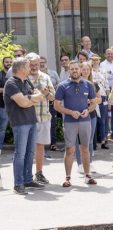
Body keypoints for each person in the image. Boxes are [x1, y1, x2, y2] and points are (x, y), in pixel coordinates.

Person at [3, 57, 45, 194]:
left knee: (30, 152)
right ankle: (18, 184)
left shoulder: (26, 81)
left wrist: (30, 99)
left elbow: (39, 94)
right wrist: (32, 99)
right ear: (21, 68)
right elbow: (22, 103)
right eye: (28, 66)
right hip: (20, 123)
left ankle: (27, 180)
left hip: (31, 120)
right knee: (20, 154)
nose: (31, 68)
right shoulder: (10, 84)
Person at [54, 60, 98, 187]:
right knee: (70, 149)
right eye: (71, 69)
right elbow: (56, 106)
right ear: (69, 70)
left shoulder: (88, 84)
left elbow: (94, 102)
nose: (74, 70)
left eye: (76, 68)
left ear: (80, 69)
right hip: (69, 122)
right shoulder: (62, 86)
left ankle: (87, 175)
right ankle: (67, 178)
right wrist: (70, 112)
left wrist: (87, 110)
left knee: (85, 148)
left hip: (85, 120)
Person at [26, 53, 55, 184]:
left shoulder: (46, 77)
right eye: (31, 65)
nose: (34, 67)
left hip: (44, 117)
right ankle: (27, 175)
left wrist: (46, 93)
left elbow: (53, 97)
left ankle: (39, 173)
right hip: (28, 118)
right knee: (28, 148)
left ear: (40, 64)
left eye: (36, 64)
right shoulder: (23, 78)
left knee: (40, 147)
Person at [75, 61, 100, 174]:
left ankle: (89, 163)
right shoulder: (75, 83)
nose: (85, 71)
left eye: (87, 69)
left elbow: (100, 99)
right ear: (80, 70)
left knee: (89, 140)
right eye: (83, 69)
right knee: (79, 141)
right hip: (78, 115)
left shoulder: (93, 84)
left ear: (90, 71)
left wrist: (93, 100)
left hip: (92, 114)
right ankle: (80, 164)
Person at [100, 48, 113, 139]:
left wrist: (110, 74)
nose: (110, 55)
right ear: (105, 55)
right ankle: (106, 134)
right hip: (106, 91)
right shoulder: (102, 64)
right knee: (105, 113)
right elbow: (104, 77)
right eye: (108, 54)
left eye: (111, 54)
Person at [91, 54, 110, 149]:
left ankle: (103, 140)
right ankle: (94, 142)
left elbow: (106, 85)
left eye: (96, 60)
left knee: (103, 120)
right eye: (93, 60)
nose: (95, 61)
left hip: (103, 96)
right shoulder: (89, 71)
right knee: (95, 119)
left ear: (99, 61)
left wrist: (108, 98)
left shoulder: (104, 71)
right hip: (92, 97)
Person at [0, 56, 12, 156]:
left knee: (17, 128)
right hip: (3, 106)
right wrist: (5, 90)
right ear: (3, 63)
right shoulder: (0, 74)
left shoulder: (14, 74)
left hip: (15, 107)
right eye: (6, 62)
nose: (8, 63)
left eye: (10, 62)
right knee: (2, 129)